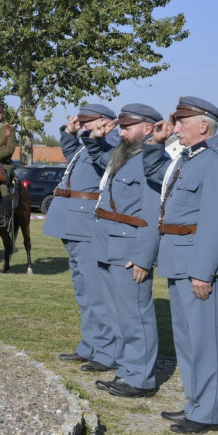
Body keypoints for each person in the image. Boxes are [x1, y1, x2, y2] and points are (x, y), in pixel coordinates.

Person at [142, 96, 218, 434]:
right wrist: (156, 141)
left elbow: (216, 221)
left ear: (203, 125)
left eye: (181, 122)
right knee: (186, 340)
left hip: (199, 263)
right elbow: (154, 174)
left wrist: (202, 271)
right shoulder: (187, 158)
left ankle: (207, 413)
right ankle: (196, 403)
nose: (176, 128)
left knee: (205, 340)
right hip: (177, 258)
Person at [86, 103, 163, 399]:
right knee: (119, 314)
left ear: (148, 129)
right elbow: (98, 154)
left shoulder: (151, 163)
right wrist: (93, 136)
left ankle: (141, 378)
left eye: (128, 127)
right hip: (108, 243)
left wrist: (144, 256)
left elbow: (154, 212)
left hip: (130, 248)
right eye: (121, 125)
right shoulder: (125, 156)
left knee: (136, 315)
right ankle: (128, 370)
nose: (121, 131)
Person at [43, 103, 120, 373]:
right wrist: (68, 132)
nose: (83, 125)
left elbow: (105, 161)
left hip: (86, 225)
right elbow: (71, 153)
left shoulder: (110, 143)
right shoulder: (89, 144)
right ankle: (89, 345)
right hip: (71, 223)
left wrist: (95, 137)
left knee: (97, 292)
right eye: (82, 121)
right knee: (84, 292)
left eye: (87, 121)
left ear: (104, 122)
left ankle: (106, 351)